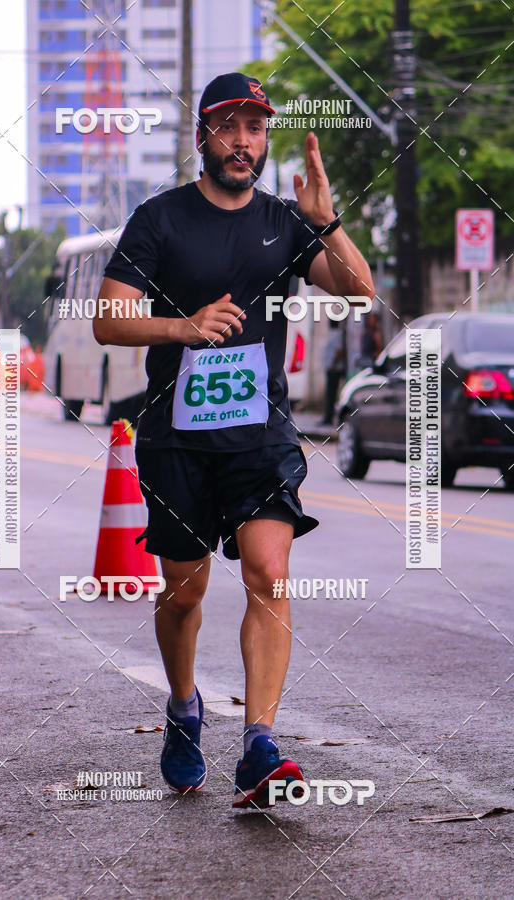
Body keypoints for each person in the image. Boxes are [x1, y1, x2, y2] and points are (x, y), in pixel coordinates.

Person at [94, 72, 374, 809]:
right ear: (203, 137)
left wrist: (328, 222)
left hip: (261, 434)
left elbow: (357, 293)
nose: (243, 140)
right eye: (229, 126)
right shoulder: (159, 220)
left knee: (267, 574)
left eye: (255, 128)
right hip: (177, 438)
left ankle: (259, 744)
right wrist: (182, 327)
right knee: (184, 594)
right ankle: (184, 709)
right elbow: (109, 320)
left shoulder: (287, 223)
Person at [320, 319, 346, 425]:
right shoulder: (332, 334)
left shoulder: (338, 334)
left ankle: (329, 417)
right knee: (329, 394)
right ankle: (328, 416)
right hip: (330, 368)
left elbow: (339, 352)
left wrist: (333, 365)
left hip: (334, 369)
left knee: (332, 394)